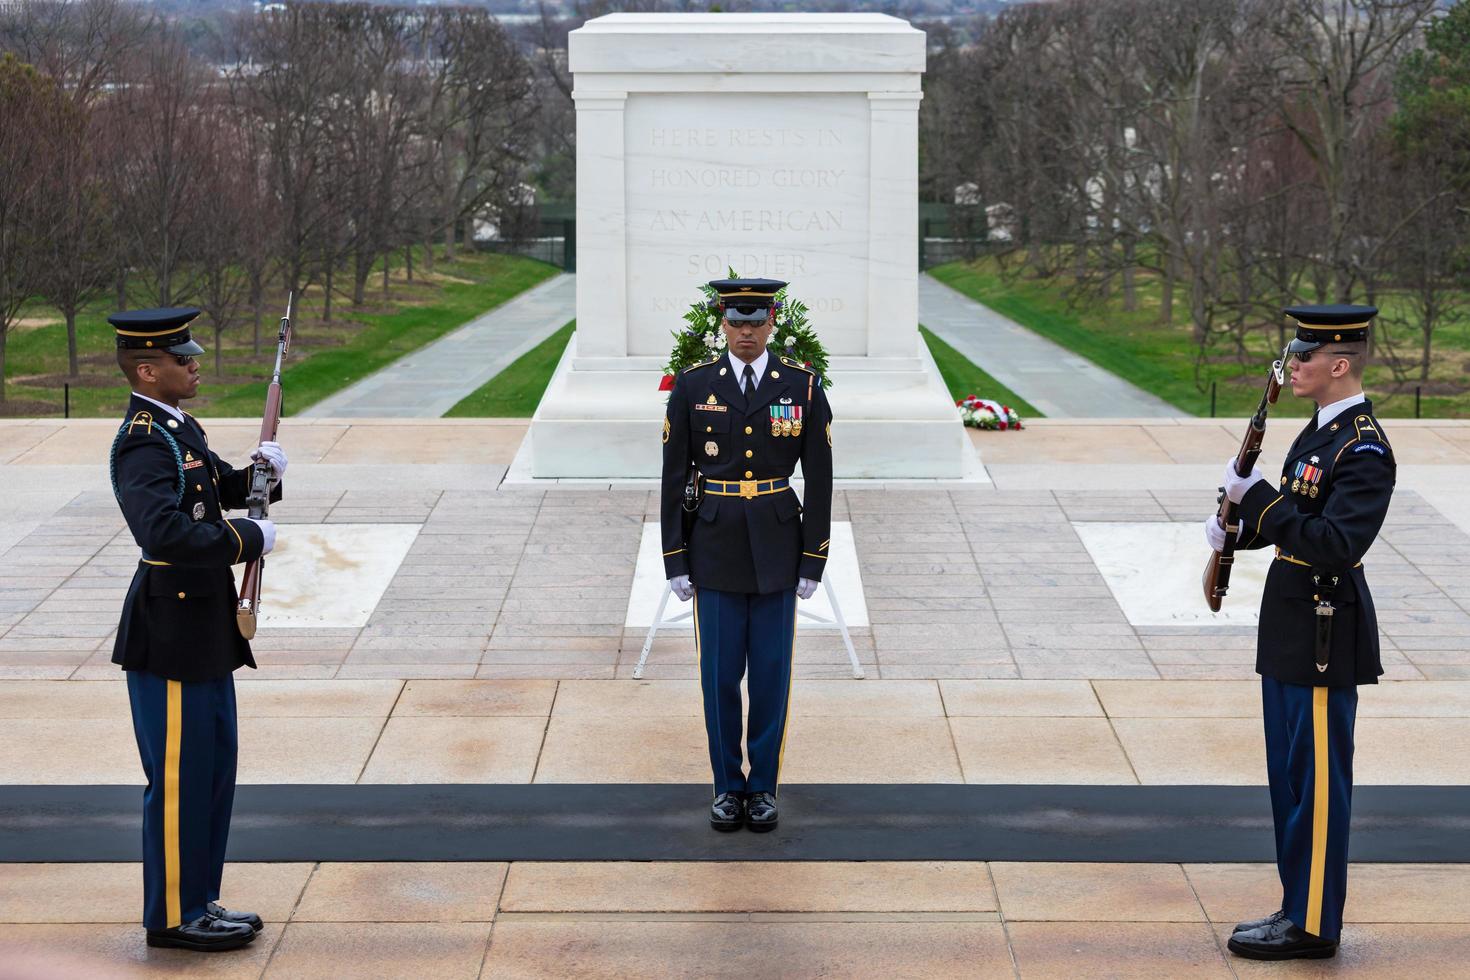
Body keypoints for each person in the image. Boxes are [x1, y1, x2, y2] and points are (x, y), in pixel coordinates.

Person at [1206, 304, 1392, 961]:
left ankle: (1313, 924)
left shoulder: (1363, 447)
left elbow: (1335, 544)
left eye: (1304, 357)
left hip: (1323, 631)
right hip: (1289, 626)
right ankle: (1297, 906)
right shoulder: (1319, 433)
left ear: (1338, 364)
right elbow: (1297, 521)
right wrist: (1236, 527)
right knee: (1289, 782)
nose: (1294, 365)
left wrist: (1259, 500)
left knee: (1316, 788)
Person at [109, 307, 286, 952]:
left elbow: (208, 494)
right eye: (182, 358)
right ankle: (175, 918)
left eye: (193, 353)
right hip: (173, 633)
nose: (195, 363)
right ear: (148, 370)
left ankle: (200, 899)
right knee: (181, 779)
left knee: (212, 773)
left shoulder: (178, 429)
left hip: (205, 631)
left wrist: (261, 476)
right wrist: (246, 539)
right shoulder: (141, 441)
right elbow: (163, 532)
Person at [660, 278, 834, 833]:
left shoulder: (803, 387)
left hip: (779, 546)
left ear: (773, 321)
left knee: (770, 675)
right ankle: (726, 786)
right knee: (718, 677)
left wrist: (813, 559)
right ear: (722, 322)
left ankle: (762, 787)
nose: (746, 333)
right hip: (712, 547)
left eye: (756, 322)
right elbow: (672, 479)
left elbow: (822, 481)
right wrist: (675, 558)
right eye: (737, 322)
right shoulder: (693, 387)